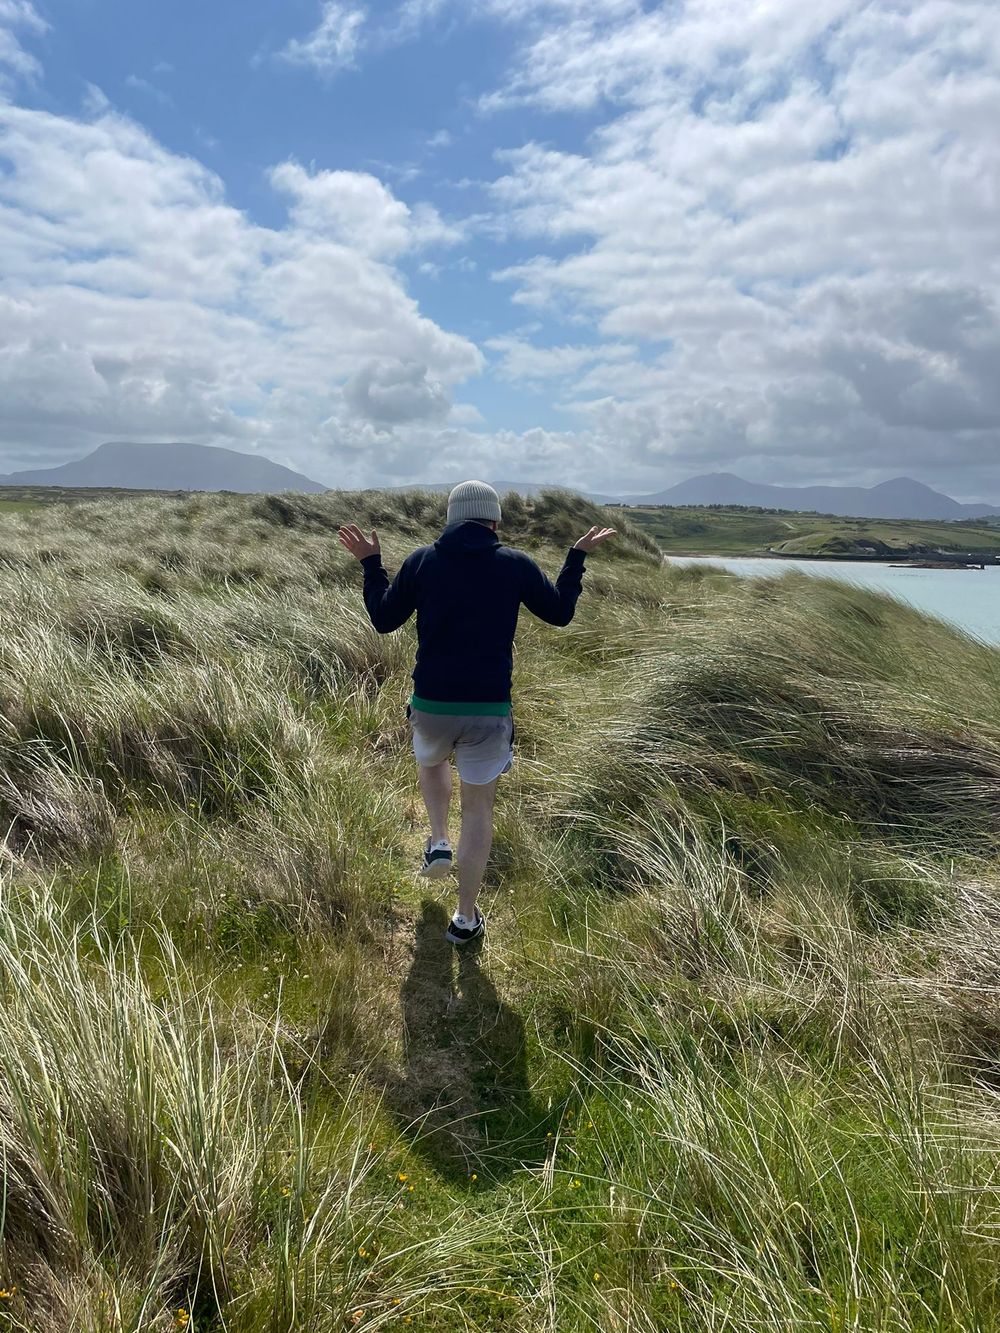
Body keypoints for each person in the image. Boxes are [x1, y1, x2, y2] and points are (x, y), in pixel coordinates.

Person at [338, 480, 615, 945]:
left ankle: (438, 840)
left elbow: (384, 620)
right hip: (488, 708)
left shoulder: (422, 561)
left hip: (431, 702)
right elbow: (561, 613)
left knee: (431, 764)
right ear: (494, 520)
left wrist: (370, 564)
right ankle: (465, 919)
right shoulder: (514, 564)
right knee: (480, 808)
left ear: (450, 519)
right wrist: (575, 558)